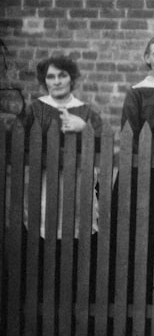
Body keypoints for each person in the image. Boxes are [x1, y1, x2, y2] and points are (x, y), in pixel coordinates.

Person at [22, 55, 104, 239]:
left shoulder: (86, 111)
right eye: (51, 77)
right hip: (44, 179)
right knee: (44, 224)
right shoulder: (35, 109)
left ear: (72, 79)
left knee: (78, 226)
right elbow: (21, 142)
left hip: (79, 179)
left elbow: (102, 145)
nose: (57, 81)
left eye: (63, 75)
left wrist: (84, 127)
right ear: (44, 80)